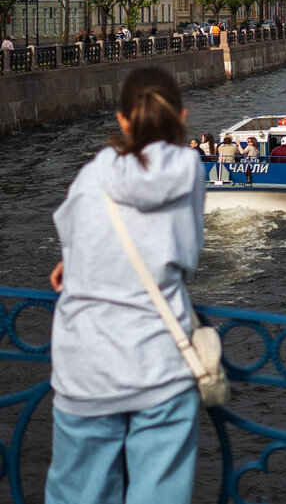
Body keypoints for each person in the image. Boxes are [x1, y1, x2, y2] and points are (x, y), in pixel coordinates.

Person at [45, 66, 205, 504]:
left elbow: (76, 230)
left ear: (122, 120)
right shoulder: (190, 169)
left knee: (79, 494)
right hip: (159, 367)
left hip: (85, 369)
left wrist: (75, 261)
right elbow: (185, 257)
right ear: (182, 116)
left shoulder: (94, 173)